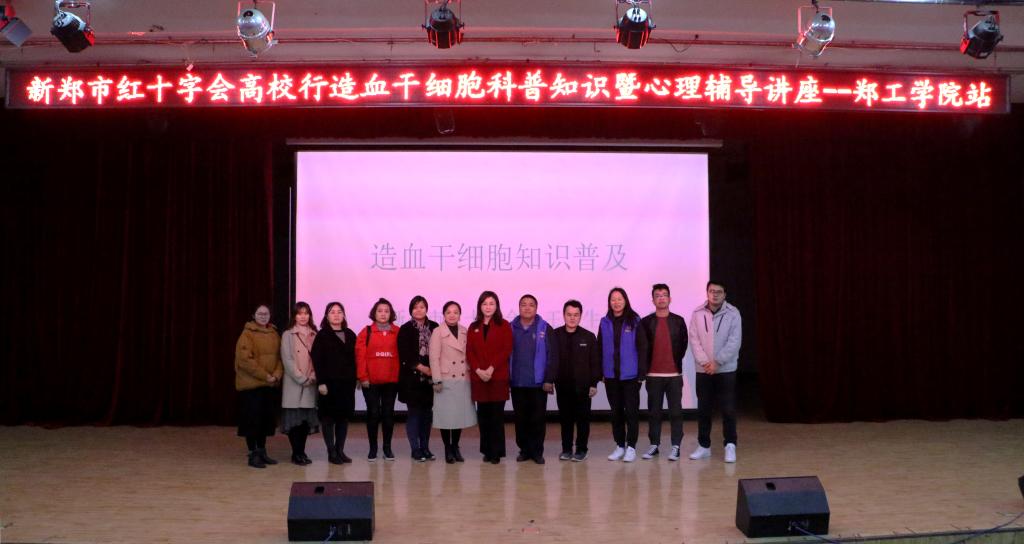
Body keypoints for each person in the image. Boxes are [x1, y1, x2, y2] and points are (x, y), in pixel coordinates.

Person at [688, 281, 743, 463]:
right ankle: (704, 445)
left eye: (719, 292)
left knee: (728, 409)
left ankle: (730, 445)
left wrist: (717, 362)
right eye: (712, 291)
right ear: (707, 293)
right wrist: (705, 363)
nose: (715, 294)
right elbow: (694, 340)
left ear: (724, 294)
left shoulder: (733, 313)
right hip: (703, 370)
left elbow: (734, 341)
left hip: (726, 369)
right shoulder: (697, 313)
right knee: (704, 409)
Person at [543, 300, 601, 462]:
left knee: (583, 421)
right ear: (563, 315)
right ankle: (567, 449)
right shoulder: (555, 335)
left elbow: (595, 362)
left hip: (583, 387)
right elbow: (550, 360)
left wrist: (594, 383)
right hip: (563, 386)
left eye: (576, 315)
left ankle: (582, 450)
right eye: (569, 314)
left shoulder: (589, 336)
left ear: (580, 316)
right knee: (565, 420)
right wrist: (550, 380)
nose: (572, 318)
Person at [598, 287, 648, 463]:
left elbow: (643, 347)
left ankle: (631, 447)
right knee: (616, 412)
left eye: (619, 299)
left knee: (632, 413)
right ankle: (620, 445)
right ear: (609, 302)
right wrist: (600, 372)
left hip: (630, 376)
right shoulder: (604, 322)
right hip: (611, 376)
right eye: (613, 299)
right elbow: (599, 347)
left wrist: (641, 372)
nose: (616, 302)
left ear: (625, 300)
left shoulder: (635, 320)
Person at [639, 283, 688, 462]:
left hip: (674, 375)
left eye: (664, 295)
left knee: (676, 412)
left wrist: (674, 363)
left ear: (670, 298)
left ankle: (676, 446)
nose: (661, 298)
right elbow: (642, 347)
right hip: (653, 375)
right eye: (657, 296)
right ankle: (654, 444)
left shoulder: (678, 321)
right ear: (653, 300)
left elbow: (683, 344)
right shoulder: (645, 322)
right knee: (654, 412)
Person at [234, 304, 284, 468]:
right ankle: (253, 454)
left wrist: (276, 375)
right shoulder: (247, 334)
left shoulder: (274, 333)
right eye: (260, 313)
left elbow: (280, 357)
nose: (263, 316)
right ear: (253, 315)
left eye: (266, 313)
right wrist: (265, 376)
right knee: (252, 421)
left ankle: (262, 452)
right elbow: (245, 361)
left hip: (269, 385)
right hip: (252, 386)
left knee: (264, 421)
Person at [466, 291, 513, 464]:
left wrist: (492, 368)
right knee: (483, 417)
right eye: (485, 303)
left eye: (491, 303)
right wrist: (478, 370)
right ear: (480, 306)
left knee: (496, 417)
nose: (488, 307)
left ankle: (496, 452)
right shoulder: (473, 326)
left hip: (497, 377)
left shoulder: (504, 325)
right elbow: (469, 351)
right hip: (479, 378)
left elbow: (506, 349)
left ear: (497, 306)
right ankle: (486, 450)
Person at [429, 301, 477, 464]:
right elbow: (434, 358)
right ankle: (447, 448)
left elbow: (469, 354)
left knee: (458, 416)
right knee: (446, 417)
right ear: (443, 314)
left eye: (455, 312)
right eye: (448, 312)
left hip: (462, 378)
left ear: (460, 315)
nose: (452, 315)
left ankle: (456, 446)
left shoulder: (465, 331)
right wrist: (436, 379)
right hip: (445, 379)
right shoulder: (437, 332)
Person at [510, 294, 555, 464]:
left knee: (538, 419)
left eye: (531, 305)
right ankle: (524, 450)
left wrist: (549, 379)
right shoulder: (510, 328)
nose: (527, 308)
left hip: (538, 383)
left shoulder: (545, 328)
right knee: (520, 419)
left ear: (536, 308)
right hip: (517, 381)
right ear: (519, 307)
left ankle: (537, 452)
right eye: (523, 304)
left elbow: (552, 356)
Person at [311, 302, 358, 464]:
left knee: (343, 419)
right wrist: (321, 382)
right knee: (328, 419)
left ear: (344, 315)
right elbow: (317, 360)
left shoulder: (350, 334)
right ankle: (331, 452)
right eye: (332, 312)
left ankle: (340, 450)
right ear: (327, 316)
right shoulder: (322, 335)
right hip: (329, 385)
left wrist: (357, 377)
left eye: (339, 312)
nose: (336, 315)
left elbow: (356, 359)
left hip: (347, 384)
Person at [356, 298, 401, 461]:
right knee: (373, 414)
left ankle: (387, 448)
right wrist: (362, 377)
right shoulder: (366, 331)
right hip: (371, 382)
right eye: (380, 311)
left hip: (391, 381)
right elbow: (360, 356)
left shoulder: (398, 332)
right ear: (374, 313)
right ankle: (373, 449)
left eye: (386, 311)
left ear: (391, 314)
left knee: (388, 415)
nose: (383, 314)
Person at [398, 295, 439, 462]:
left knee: (427, 415)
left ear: (426, 309)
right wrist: (422, 367)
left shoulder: (435, 327)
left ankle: (425, 447)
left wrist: (433, 370)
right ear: (411, 310)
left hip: (430, 380)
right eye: (415, 307)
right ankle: (415, 449)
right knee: (414, 414)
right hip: (412, 379)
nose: (419, 310)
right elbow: (404, 354)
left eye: (422, 307)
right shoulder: (405, 329)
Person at [280, 301, 320, 466]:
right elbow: (287, 360)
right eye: (299, 313)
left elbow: (319, 358)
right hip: (294, 383)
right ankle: (296, 453)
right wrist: (301, 378)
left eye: (306, 313)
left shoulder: (315, 334)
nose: (303, 316)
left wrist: (313, 376)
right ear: (294, 316)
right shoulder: (288, 335)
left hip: (310, 383)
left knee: (305, 422)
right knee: (294, 422)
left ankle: (302, 452)